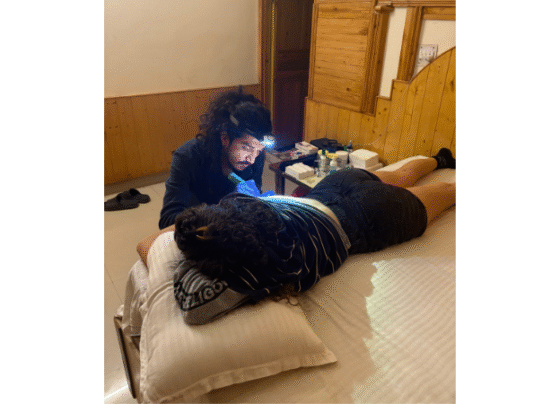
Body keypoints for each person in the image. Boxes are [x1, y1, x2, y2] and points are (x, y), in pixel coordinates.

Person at [168, 148, 456, 324]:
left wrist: (193, 259)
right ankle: (440, 158)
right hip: (331, 188)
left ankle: (444, 164)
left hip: (362, 217)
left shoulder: (262, 267)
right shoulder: (237, 202)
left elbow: (193, 306)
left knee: (446, 192)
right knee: (403, 173)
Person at [158, 88, 273, 229]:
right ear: (225, 137)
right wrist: (223, 213)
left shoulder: (256, 157)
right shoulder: (188, 156)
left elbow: (253, 193)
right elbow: (168, 221)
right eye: (246, 147)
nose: (252, 159)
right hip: (197, 230)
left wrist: (256, 203)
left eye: (259, 150)